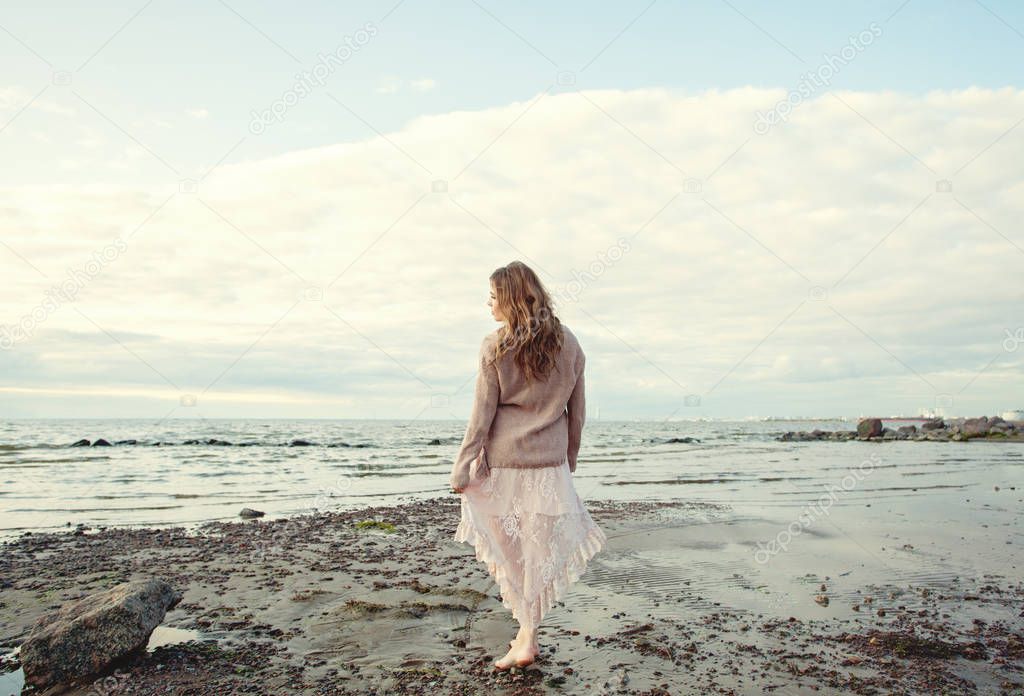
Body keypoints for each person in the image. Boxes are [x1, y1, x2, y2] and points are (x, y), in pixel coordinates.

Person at [449, 260, 607, 670]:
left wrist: (463, 465)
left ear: (512, 299)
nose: (489, 306)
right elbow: (579, 410)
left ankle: (526, 637)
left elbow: (481, 414)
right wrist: (570, 457)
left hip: (503, 466)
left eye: (493, 297)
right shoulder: (569, 343)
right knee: (535, 551)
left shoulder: (495, 345)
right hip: (549, 466)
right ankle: (527, 635)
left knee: (513, 554)